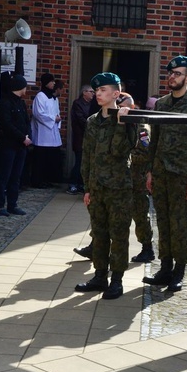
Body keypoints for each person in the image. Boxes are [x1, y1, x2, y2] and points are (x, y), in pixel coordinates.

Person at [143, 55, 187, 293]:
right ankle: (164, 267)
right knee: (162, 220)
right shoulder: (161, 104)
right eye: (171, 73)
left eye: (178, 74)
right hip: (161, 173)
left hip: (183, 175)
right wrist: (150, 170)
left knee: (179, 224)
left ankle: (179, 270)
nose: (172, 77)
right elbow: (154, 141)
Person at [74, 73, 136, 300]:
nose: (98, 94)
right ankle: (100, 275)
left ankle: (117, 280)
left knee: (118, 234)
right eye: (96, 90)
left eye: (103, 90)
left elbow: (120, 152)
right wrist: (87, 188)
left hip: (119, 187)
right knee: (99, 233)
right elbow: (87, 157)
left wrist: (121, 123)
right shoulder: (92, 121)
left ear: (116, 94)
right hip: (98, 187)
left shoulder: (127, 119)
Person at [120, 92, 156, 263]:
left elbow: (144, 152)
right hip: (118, 179)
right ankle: (95, 245)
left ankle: (147, 248)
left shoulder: (141, 127)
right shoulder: (115, 124)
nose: (120, 111)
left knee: (140, 214)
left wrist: (121, 156)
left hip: (136, 179)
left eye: (123, 107)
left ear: (132, 108)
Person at [0, 74, 31, 217]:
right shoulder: (5, 103)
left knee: (16, 176)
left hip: (21, 145)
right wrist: (22, 137)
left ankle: (12, 204)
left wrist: (27, 136)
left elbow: (26, 121)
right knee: (4, 176)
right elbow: (6, 124)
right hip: (8, 145)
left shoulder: (21, 103)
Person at [31, 72, 62, 188]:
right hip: (42, 133)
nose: (54, 83)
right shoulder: (40, 96)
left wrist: (57, 119)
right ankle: (37, 180)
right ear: (46, 83)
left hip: (52, 131)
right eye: (52, 81)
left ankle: (47, 179)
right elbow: (38, 114)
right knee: (40, 158)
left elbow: (56, 112)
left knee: (49, 158)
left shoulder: (54, 98)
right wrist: (54, 119)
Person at [67, 84, 94, 195]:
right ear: (84, 93)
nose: (93, 94)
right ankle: (72, 184)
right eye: (91, 91)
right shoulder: (78, 104)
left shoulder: (92, 104)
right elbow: (81, 120)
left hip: (89, 137)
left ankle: (81, 184)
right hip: (80, 137)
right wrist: (92, 125)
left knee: (85, 162)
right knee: (79, 161)